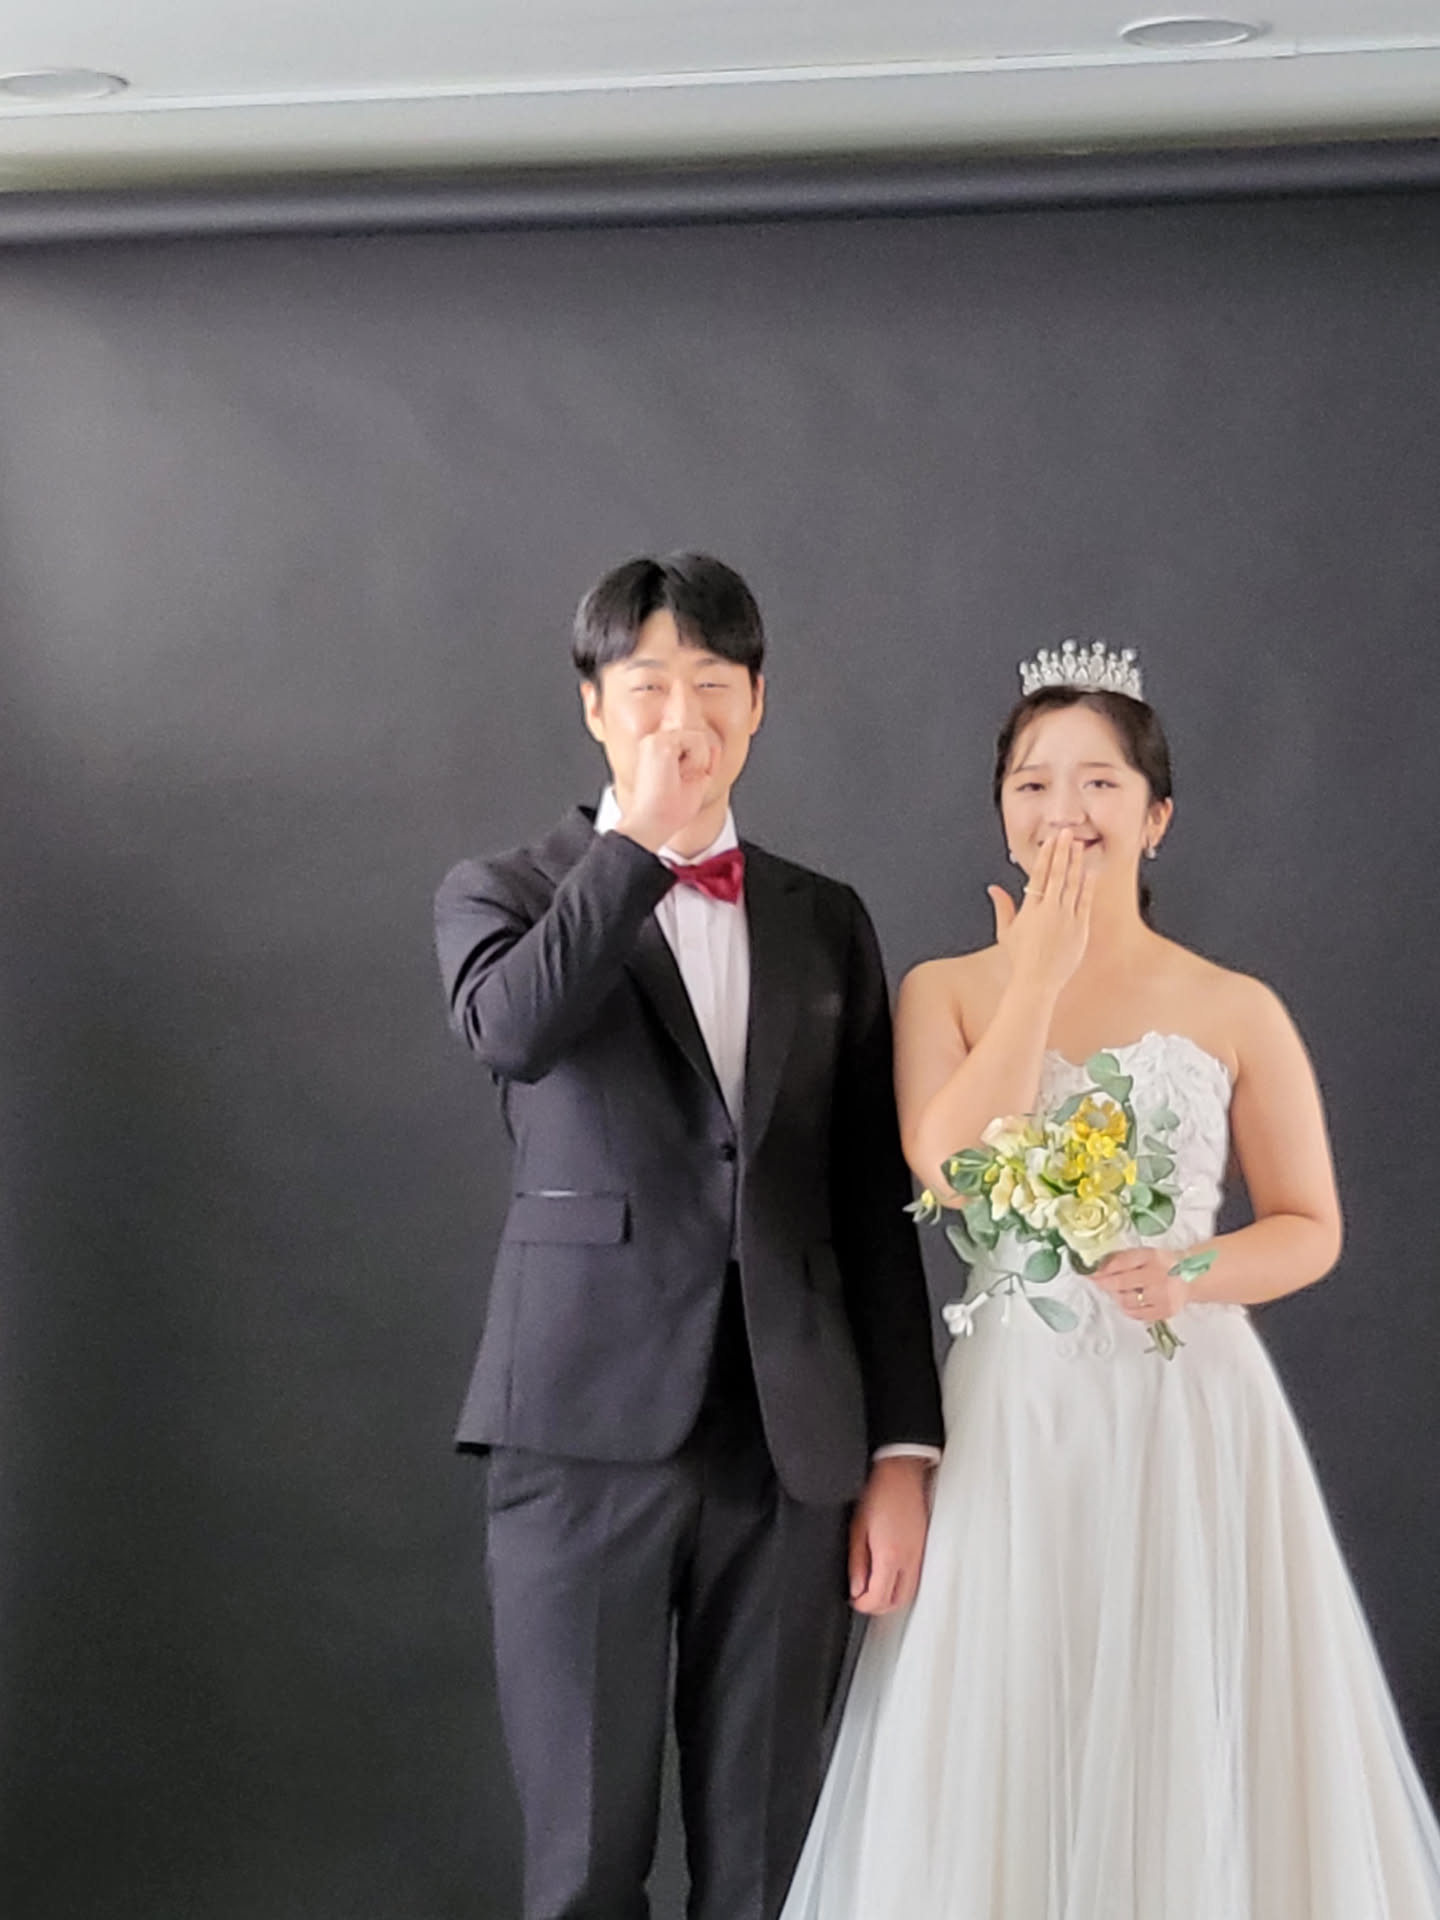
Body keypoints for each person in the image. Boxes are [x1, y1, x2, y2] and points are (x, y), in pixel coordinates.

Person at [780, 644, 1440, 1919]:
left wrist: (1189, 1269)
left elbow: (1309, 1226)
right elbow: (950, 1166)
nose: (1064, 812)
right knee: (1009, 1718)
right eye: (1033, 784)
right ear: (1002, 812)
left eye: (1099, 783)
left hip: (1190, 1410)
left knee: (1190, 1711)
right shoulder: (946, 989)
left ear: (1157, 815)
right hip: (1015, 1414)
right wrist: (1035, 977)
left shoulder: (1235, 1005)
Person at [434, 553, 944, 1920]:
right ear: (594, 705)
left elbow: (867, 1199)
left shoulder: (824, 917)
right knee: (586, 1865)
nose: (684, 718)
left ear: (758, 703)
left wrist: (901, 1453)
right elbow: (513, 1032)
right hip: (580, 1434)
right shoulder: (504, 890)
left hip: (793, 1448)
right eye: (649, 685)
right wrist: (635, 852)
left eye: (714, 685)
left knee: (766, 1867)